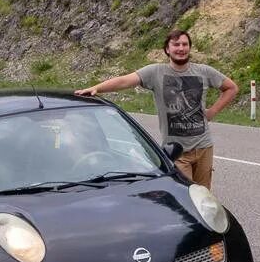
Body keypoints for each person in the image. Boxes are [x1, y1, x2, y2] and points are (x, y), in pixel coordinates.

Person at [76, 29, 238, 189]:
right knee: (186, 194)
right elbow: (125, 81)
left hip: (204, 147)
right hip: (176, 151)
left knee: (204, 195)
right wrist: (97, 88)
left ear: (189, 47)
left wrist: (212, 112)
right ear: (167, 49)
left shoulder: (204, 71)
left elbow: (231, 88)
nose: (181, 48)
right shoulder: (155, 72)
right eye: (176, 45)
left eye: (185, 44)